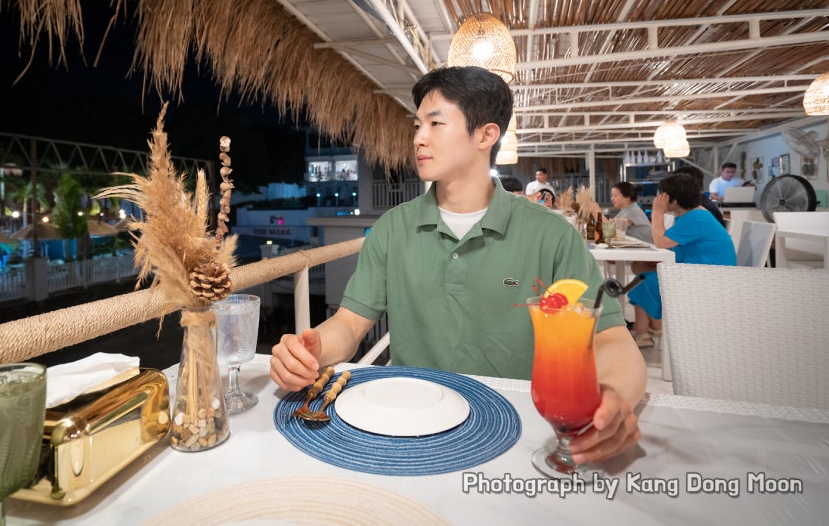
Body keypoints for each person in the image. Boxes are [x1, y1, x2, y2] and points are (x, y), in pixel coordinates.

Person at [271, 66, 646, 465]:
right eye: (417, 125)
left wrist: (614, 396)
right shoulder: (393, 228)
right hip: (409, 422)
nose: (419, 137)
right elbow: (349, 325)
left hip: (518, 428)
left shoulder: (549, 234)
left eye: (435, 123)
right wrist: (309, 351)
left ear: (485, 135)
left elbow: (611, 340)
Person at [628, 173, 736, 347]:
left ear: (675, 201)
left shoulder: (696, 218)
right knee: (640, 268)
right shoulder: (692, 215)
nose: (659, 199)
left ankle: (644, 331)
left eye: (663, 196)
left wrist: (657, 213)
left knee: (643, 281)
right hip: (698, 269)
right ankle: (655, 325)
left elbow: (661, 242)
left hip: (709, 278)